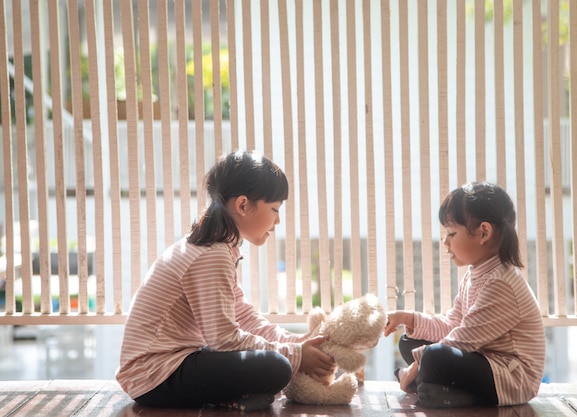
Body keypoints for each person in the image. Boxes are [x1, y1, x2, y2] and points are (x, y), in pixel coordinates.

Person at [116, 150, 336, 411]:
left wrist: (296, 342)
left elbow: (244, 317)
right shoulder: (211, 254)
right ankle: (234, 397)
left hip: (174, 366)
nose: (277, 221)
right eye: (275, 209)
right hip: (154, 376)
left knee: (278, 362)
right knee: (277, 367)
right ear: (243, 205)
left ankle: (234, 397)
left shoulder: (220, 247)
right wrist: (297, 356)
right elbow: (225, 340)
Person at [384, 181, 545, 408]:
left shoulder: (502, 283)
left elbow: (462, 340)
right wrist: (410, 319)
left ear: (483, 232)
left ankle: (446, 390)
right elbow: (454, 325)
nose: (445, 241)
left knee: (433, 357)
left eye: (451, 233)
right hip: (481, 359)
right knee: (409, 341)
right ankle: (440, 389)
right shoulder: (474, 274)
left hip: (510, 379)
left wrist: (415, 366)